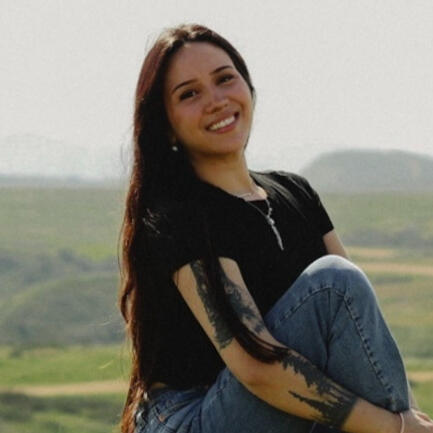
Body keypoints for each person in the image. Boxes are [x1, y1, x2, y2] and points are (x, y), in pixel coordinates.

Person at [118, 23, 433, 433]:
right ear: (166, 125)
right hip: (192, 417)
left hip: (273, 411)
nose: (216, 100)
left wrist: (410, 420)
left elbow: (360, 332)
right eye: (189, 94)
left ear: (249, 88)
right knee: (334, 284)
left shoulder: (296, 192)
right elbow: (255, 366)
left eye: (225, 79)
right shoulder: (178, 216)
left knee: (344, 291)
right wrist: (395, 426)